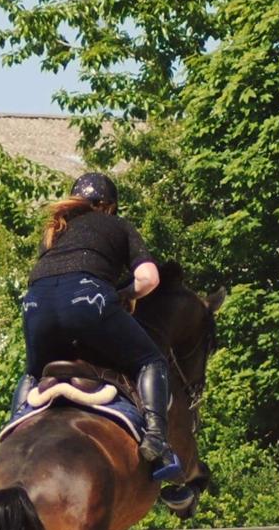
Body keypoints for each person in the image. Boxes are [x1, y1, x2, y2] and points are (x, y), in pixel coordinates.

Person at [12, 171, 181, 480]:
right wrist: (127, 295)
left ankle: (13, 428)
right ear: (109, 206)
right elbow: (149, 279)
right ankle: (157, 440)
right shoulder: (118, 226)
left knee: (33, 373)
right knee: (150, 360)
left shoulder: (54, 231)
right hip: (88, 301)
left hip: (35, 305)